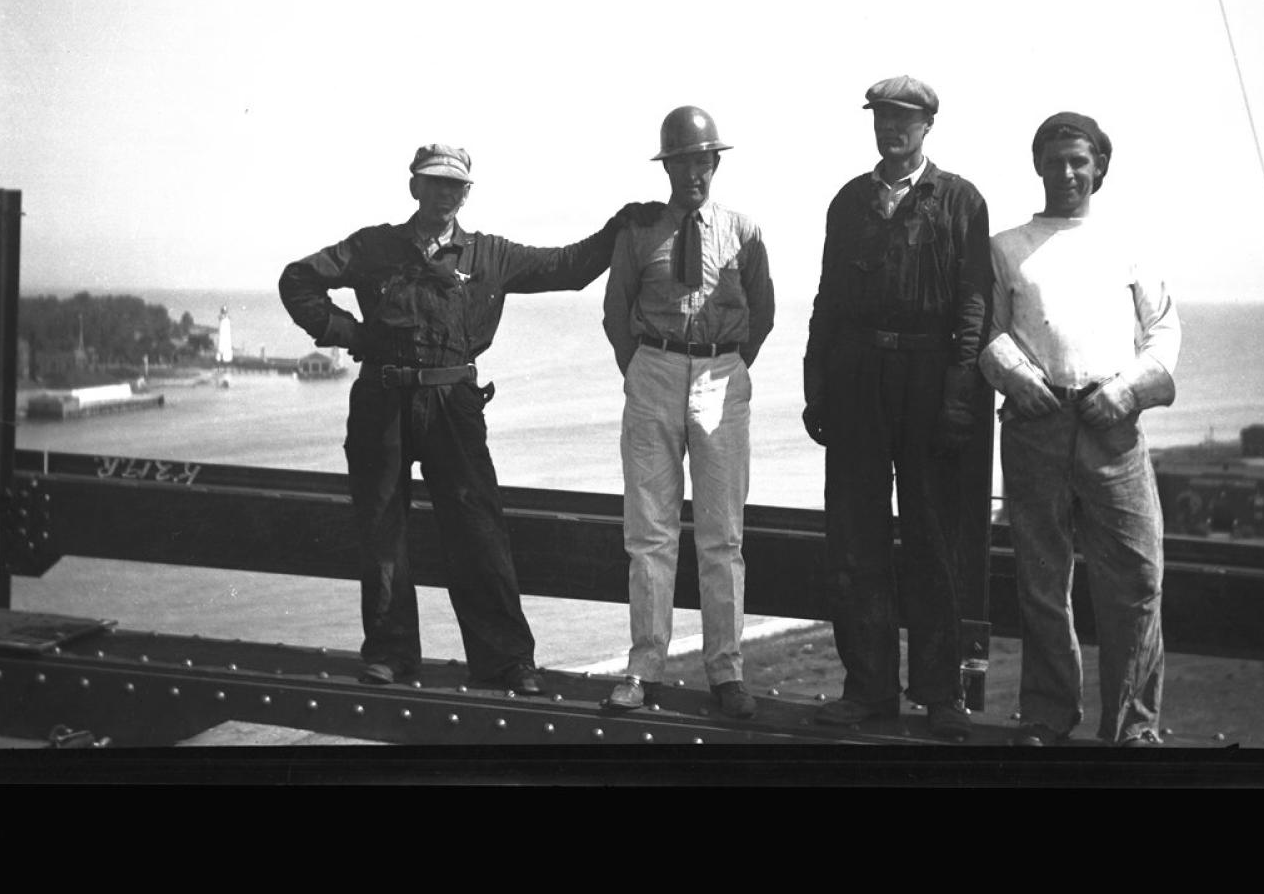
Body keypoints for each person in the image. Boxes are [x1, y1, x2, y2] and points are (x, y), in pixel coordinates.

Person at [279, 144, 661, 695]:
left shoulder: (490, 256)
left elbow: (569, 268)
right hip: (380, 401)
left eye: (455, 185)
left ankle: (506, 662)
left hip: (453, 405)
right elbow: (298, 281)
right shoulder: (373, 246)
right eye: (434, 183)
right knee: (382, 528)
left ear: (466, 194)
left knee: (478, 532)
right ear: (414, 187)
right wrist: (350, 335)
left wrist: (619, 227)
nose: (444, 193)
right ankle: (389, 655)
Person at [978, 112, 1181, 747]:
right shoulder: (1007, 245)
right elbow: (987, 330)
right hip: (1035, 425)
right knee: (1042, 580)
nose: (1067, 173)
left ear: (1099, 169)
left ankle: (1132, 728)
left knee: (1137, 578)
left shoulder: (1128, 246)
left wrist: (1123, 393)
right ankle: (1046, 715)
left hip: (1111, 427)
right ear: (1037, 165)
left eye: (1079, 162)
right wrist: (1018, 379)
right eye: (1055, 160)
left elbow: (1165, 331)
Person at [802, 75, 992, 743]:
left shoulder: (961, 200)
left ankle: (939, 695)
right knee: (855, 537)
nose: (893, 128)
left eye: (906, 118)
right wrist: (815, 378)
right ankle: (869, 688)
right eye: (883, 116)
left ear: (928, 125)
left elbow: (973, 305)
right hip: (857, 377)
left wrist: (960, 392)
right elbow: (827, 294)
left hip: (929, 376)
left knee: (934, 538)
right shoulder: (849, 202)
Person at [600, 106, 775, 721]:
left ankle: (726, 671)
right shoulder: (639, 233)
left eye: (702, 160)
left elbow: (763, 312)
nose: (692, 172)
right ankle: (643, 667)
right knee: (649, 532)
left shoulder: (744, 232)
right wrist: (649, 368)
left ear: (715, 163)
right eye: (681, 162)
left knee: (723, 534)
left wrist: (723, 364)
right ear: (667, 166)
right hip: (653, 369)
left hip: (720, 374)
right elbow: (616, 311)